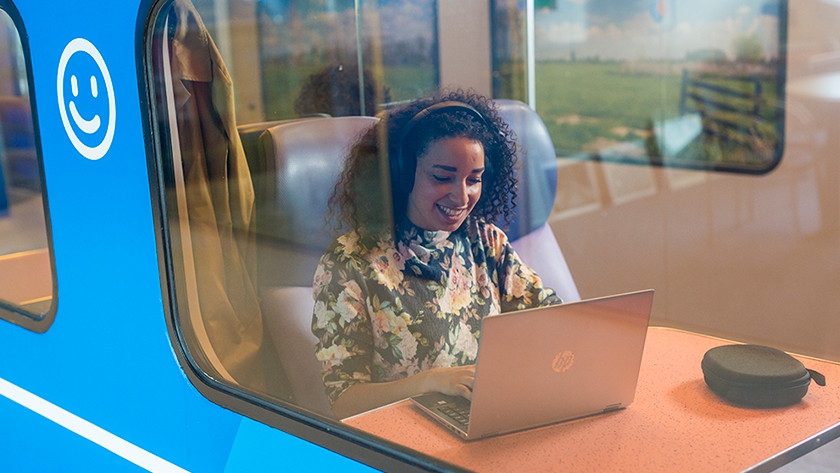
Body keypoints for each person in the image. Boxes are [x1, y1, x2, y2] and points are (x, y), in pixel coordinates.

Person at [311, 90, 561, 419]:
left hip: (488, 418)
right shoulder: (351, 262)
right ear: (402, 174)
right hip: (404, 441)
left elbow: (553, 320)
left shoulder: (484, 240)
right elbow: (342, 400)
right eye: (442, 177)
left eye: (475, 179)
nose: (462, 196)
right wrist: (428, 383)